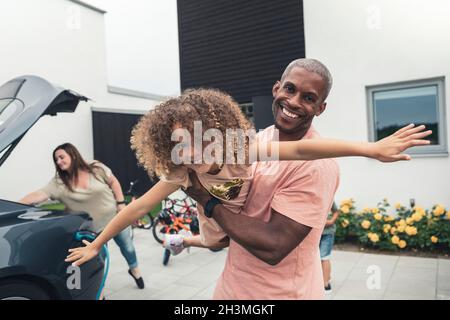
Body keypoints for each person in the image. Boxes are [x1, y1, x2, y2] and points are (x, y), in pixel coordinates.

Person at [65, 81, 431, 285]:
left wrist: (369, 148)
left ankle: (186, 240)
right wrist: (97, 244)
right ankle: (184, 240)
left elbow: (304, 151)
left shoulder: (239, 148)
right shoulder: (181, 172)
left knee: (222, 238)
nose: (189, 150)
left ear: (214, 135)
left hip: (236, 225)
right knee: (213, 240)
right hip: (215, 228)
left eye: (195, 139)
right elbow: (139, 207)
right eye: (178, 143)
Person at [181, 59, 431, 299]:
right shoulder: (260, 138)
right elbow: (226, 214)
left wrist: (208, 202)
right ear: (276, 88)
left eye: (309, 98)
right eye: (290, 89)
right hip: (232, 288)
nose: (294, 102)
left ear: (321, 108)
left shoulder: (318, 167)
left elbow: (273, 246)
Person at [19, 143, 145, 290]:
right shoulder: (59, 183)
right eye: (56, 160)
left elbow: (113, 181)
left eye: (61, 157)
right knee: (98, 261)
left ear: (72, 155)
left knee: (128, 247)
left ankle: (134, 269)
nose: (59, 162)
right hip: (92, 231)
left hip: (116, 219)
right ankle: (99, 290)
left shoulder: (95, 167)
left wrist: (121, 203)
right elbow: (39, 194)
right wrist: (15, 204)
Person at [320, 201, 339, 294]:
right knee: (317, 258)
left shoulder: (328, 194)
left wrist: (331, 221)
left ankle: (326, 283)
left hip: (327, 233)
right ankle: (326, 277)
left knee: (324, 257)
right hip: (315, 232)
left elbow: (336, 211)